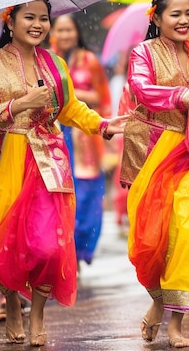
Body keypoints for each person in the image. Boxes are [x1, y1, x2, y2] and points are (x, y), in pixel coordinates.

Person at [0, 0, 125, 346]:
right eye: (30, 17)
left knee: (49, 247)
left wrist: (102, 125)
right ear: (10, 22)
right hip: (4, 160)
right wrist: (20, 104)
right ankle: (10, 300)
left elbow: (69, 107)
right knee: (5, 244)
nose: (38, 24)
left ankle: (36, 313)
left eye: (44, 18)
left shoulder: (53, 63)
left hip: (48, 162)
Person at [120, 0, 189, 348]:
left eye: (188, 13)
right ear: (157, 17)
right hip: (155, 152)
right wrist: (186, 96)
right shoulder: (143, 53)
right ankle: (157, 304)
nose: (184, 20)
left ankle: (178, 325)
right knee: (154, 239)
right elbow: (140, 90)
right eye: (175, 14)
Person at [48, 14, 111, 265]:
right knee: (59, 194)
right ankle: (66, 253)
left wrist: (71, 94)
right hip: (55, 133)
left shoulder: (89, 60)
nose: (65, 35)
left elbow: (102, 97)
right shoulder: (46, 60)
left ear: (77, 32)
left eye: (69, 30)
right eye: (60, 30)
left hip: (83, 133)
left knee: (86, 196)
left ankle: (80, 249)